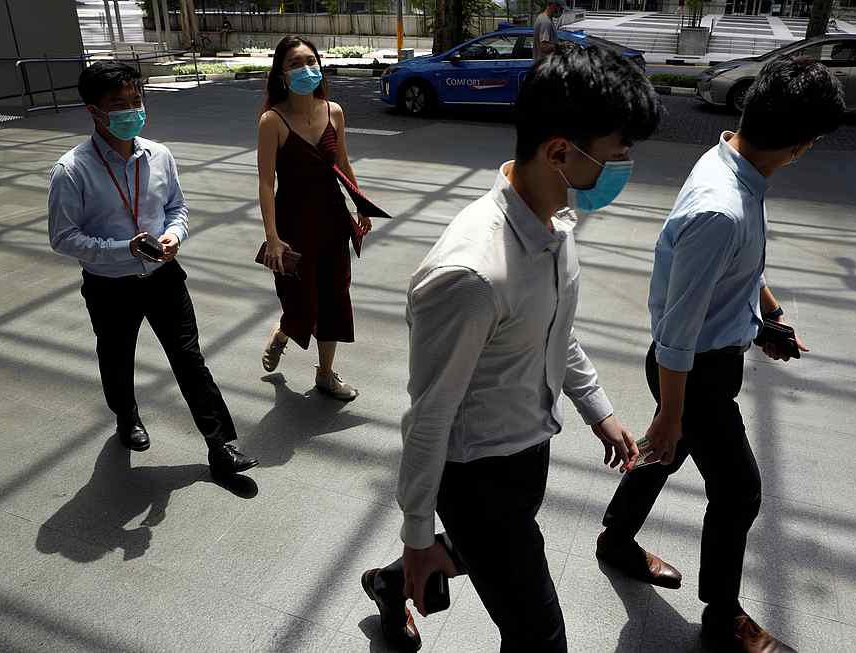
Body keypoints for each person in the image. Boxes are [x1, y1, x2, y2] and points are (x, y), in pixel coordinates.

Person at [360, 47, 661, 652]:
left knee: (495, 545)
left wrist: (597, 409)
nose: (625, 165)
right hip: (477, 474)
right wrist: (416, 531)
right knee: (538, 634)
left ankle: (392, 586)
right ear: (559, 152)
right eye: (618, 153)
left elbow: (553, 330)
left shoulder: (554, 223)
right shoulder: (471, 273)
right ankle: (409, 570)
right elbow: (429, 416)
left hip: (528, 448)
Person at [596, 56, 845, 653]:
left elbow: (738, 270)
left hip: (703, 361)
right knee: (739, 490)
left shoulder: (730, 161)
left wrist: (769, 318)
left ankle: (615, 540)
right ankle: (721, 614)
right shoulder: (722, 206)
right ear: (803, 145)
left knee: (667, 455)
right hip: (693, 372)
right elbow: (681, 328)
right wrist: (672, 411)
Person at [47, 61, 258, 481]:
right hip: (110, 286)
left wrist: (175, 236)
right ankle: (127, 416)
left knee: (189, 359)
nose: (132, 110)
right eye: (119, 104)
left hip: (164, 276)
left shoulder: (159, 155)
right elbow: (63, 237)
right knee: (116, 356)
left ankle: (220, 446)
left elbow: (177, 208)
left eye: (136, 101)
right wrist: (121, 248)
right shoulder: (72, 170)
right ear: (93, 110)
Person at [256, 35, 371, 401]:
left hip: (332, 221)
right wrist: (272, 237)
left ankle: (325, 374)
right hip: (293, 225)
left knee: (334, 298)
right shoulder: (272, 121)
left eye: (310, 61)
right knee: (301, 301)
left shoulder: (334, 111)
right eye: (295, 64)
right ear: (281, 74)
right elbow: (265, 182)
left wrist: (360, 204)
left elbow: (343, 164)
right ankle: (283, 332)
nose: (306, 69)